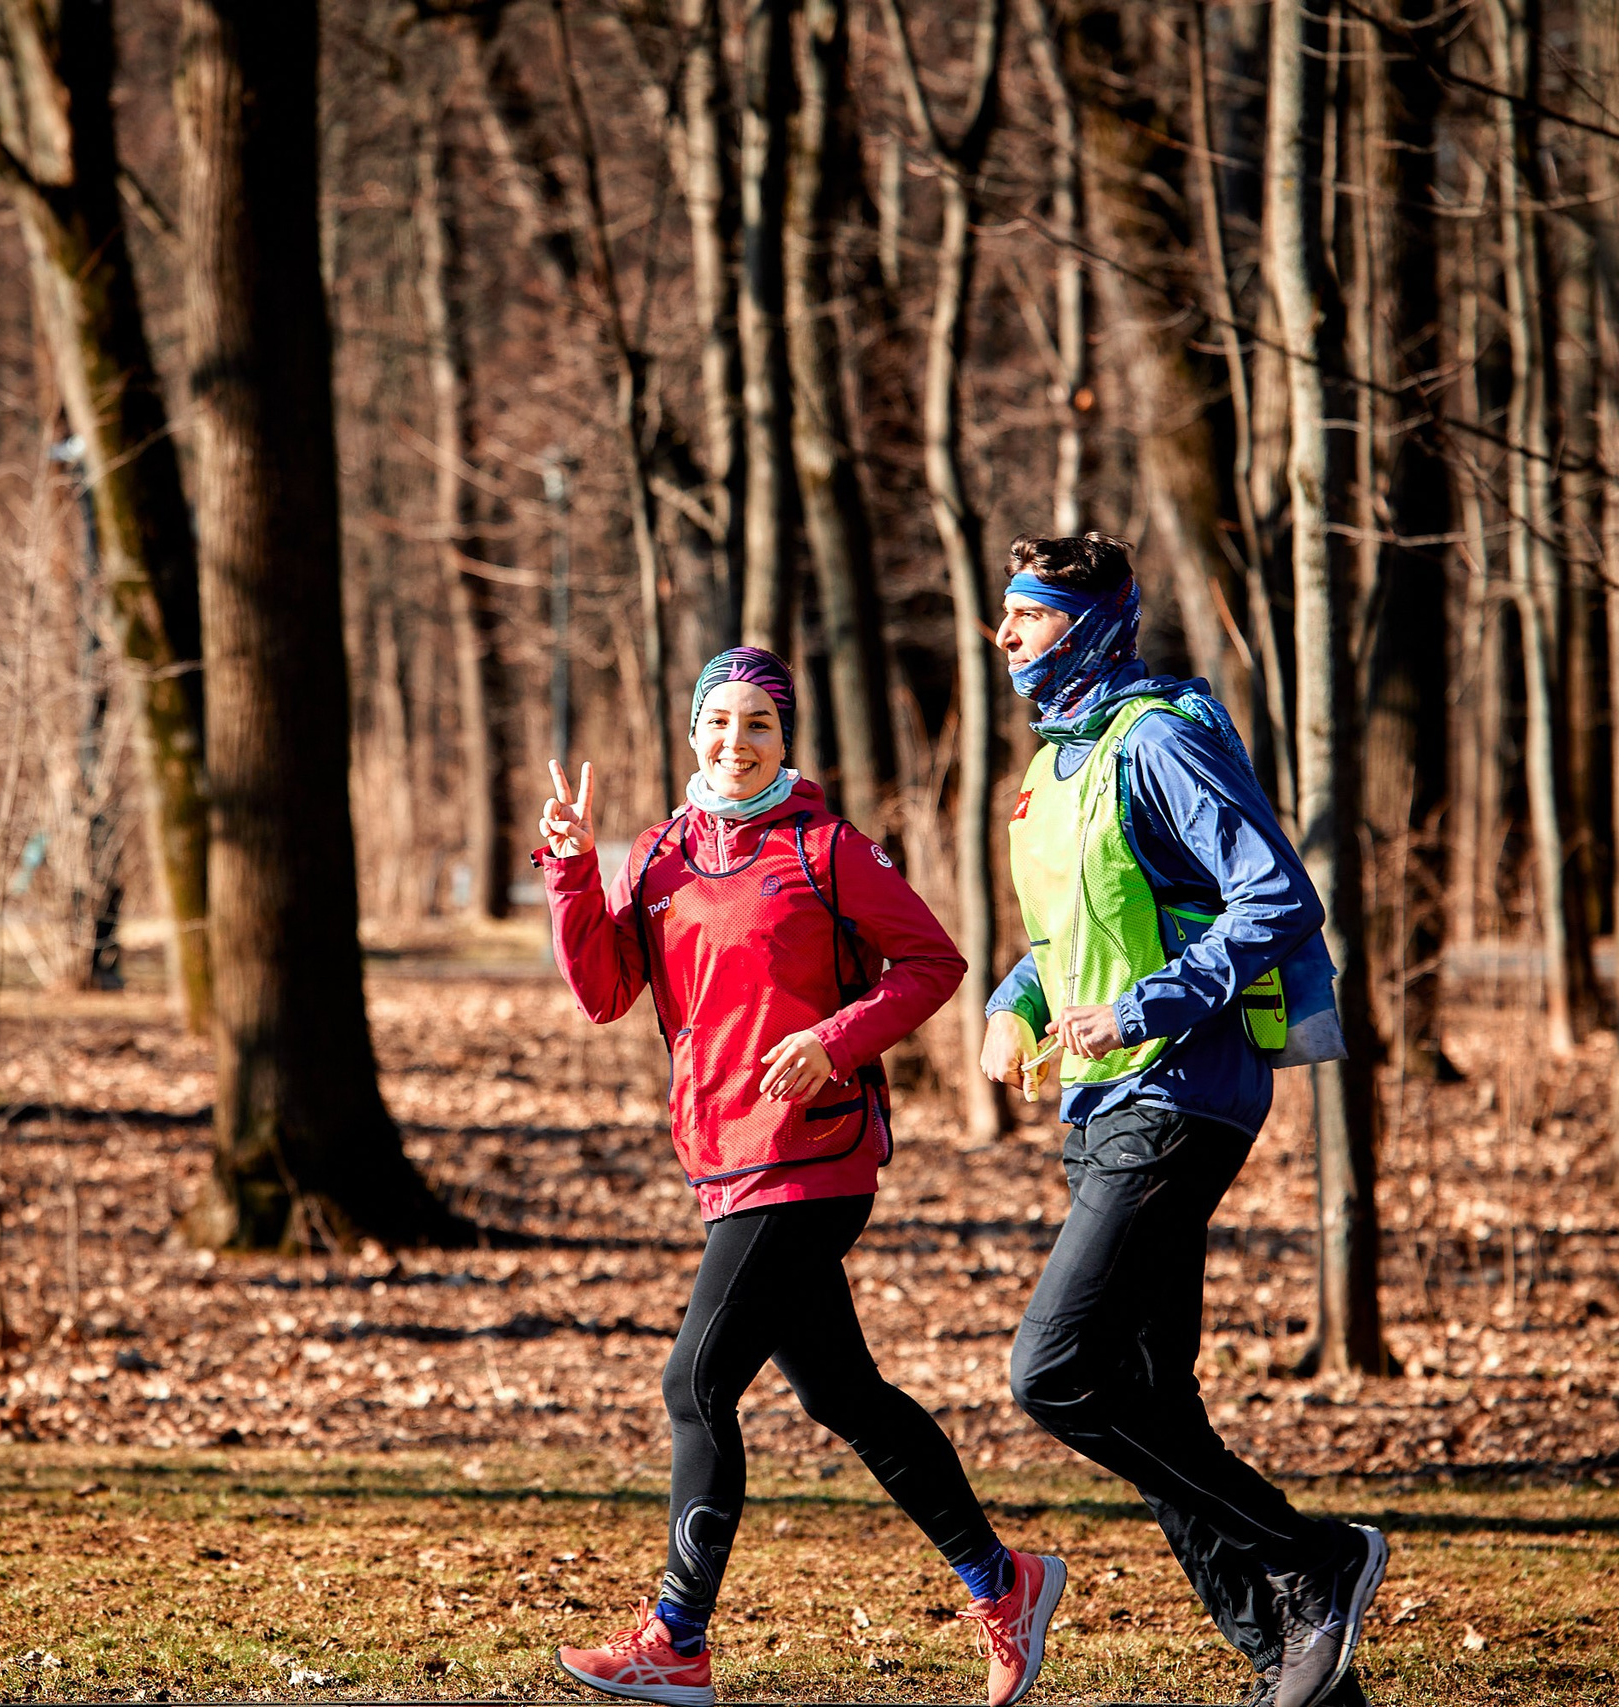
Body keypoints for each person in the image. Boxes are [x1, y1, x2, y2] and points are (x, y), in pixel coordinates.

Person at [538, 647, 1065, 1707]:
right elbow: (603, 991)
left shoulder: (827, 849)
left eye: (759, 725)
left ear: (786, 739)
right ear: (693, 731)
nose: (735, 742)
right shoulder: (661, 854)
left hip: (813, 1155)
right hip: (721, 1157)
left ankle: (677, 1639)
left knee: (695, 1383)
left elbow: (934, 963)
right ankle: (1002, 1580)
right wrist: (573, 872)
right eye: (718, 721)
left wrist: (835, 1038)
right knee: (842, 1393)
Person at [979, 535, 1387, 1707]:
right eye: (1006, 613)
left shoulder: (1158, 738)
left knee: (1055, 1373)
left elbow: (1277, 898)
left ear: (1091, 624)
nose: (1005, 635)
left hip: (1181, 1092)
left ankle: (1316, 1558)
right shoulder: (1058, 761)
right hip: (1101, 1100)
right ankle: (1293, 1665)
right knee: (1149, 1397)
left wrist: (1138, 1010)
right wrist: (1014, 1003)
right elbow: (1080, 930)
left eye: (1027, 614)